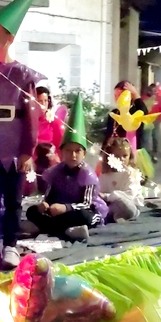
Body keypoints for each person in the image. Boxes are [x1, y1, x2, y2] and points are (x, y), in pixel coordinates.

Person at [0, 0, 44, 270]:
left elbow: (31, 114)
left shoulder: (21, 74)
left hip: (12, 147)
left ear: (9, 38)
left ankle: (10, 244)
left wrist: (27, 150)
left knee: (13, 199)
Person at [28, 96, 107, 242]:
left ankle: (50, 227)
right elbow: (49, 195)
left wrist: (65, 208)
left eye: (77, 151)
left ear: (84, 153)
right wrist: (45, 205)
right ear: (62, 152)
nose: (73, 155)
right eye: (69, 150)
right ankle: (64, 228)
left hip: (81, 210)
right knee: (31, 211)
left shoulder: (87, 174)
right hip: (59, 211)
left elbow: (87, 203)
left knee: (85, 217)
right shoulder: (56, 171)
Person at [98, 136, 141, 222]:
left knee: (125, 205)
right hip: (111, 205)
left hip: (129, 205)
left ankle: (114, 216)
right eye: (117, 156)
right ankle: (112, 216)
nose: (121, 159)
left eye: (125, 156)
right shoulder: (105, 175)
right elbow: (101, 192)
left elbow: (130, 195)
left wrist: (107, 196)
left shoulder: (131, 174)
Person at [105, 80, 150, 153]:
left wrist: (135, 93)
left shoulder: (136, 111)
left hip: (132, 151)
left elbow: (144, 111)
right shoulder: (114, 112)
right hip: (115, 151)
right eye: (115, 95)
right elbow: (108, 134)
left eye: (120, 95)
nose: (116, 98)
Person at [144, 83, 161, 161]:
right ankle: (146, 155)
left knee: (155, 137)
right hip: (147, 120)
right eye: (152, 90)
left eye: (155, 91)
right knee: (146, 138)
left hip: (156, 120)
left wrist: (160, 119)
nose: (153, 92)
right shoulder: (144, 98)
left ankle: (155, 153)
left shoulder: (159, 99)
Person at [35, 86, 65, 153]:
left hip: (50, 157)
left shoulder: (55, 121)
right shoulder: (28, 121)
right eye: (40, 101)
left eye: (45, 101)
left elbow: (61, 145)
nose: (43, 104)